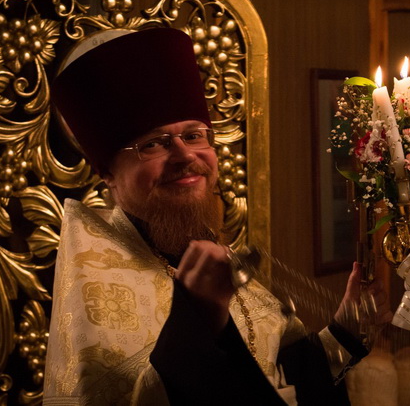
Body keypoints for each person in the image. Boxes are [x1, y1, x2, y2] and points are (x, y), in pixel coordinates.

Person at [43, 27, 391, 405]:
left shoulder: (207, 247)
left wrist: (345, 332)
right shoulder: (97, 298)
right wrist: (197, 323)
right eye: (154, 144)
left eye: (194, 135)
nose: (184, 155)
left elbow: (275, 376)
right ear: (108, 174)